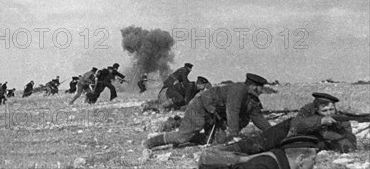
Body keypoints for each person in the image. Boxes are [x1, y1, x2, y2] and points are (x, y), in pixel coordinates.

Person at [143, 73, 271, 149]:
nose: (261, 91)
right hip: (200, 107)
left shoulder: (251, 99)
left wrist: (274, 132)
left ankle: (192, 137)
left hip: (212, 114)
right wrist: (233, 135)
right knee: (182, 137)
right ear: (254, 86)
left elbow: (258, 118)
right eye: (261, 88)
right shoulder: (239, 89)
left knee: (218, 141)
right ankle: (151, 142)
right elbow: (232, 111)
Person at [219, 92, 357, 155]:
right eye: (324, 110)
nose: (328, 113)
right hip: (285, 131)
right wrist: (320, 121)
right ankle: (231, 149)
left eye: (331, 109)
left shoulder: (341, 119)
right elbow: (296, 124)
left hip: (300, 145)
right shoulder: (308, 110)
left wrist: (328, 134)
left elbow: (350, 145)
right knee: (260, 142)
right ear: (316, 109)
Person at [199, 135, 319, 169]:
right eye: (313, 160)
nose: (314, 165)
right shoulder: (264, 165)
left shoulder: (279, 162)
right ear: (301, 159)